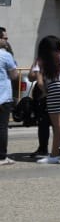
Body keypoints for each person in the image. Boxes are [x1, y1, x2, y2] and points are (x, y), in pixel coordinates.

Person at [34, 35, 60, 162]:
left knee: (58, 126)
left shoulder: (42, 60)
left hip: (55, 91)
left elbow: (40, 82)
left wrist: (47, 92)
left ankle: (54, 155)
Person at [0, 28, 17, 165]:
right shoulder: (5, 55)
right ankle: (1, 156)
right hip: (3, 96)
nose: (6, 40)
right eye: (4, 38)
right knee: (2, 127)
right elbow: (14, 75)